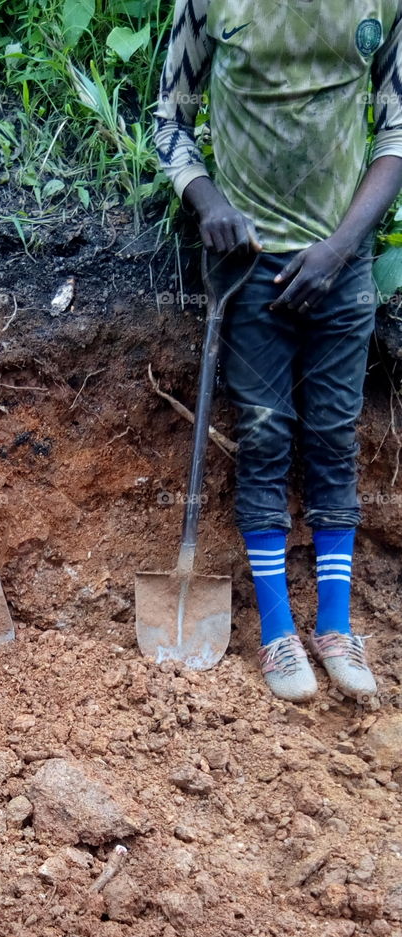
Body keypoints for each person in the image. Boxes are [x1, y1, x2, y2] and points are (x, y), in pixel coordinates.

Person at [155, 1, 402, 701]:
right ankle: (275, 631)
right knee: (263, 437)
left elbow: (396, 130)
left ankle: (334, 627)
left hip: (342, 258)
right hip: (247, 263)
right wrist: (206, 201)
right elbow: (169, 117)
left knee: (332, 436)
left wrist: (341, 248)